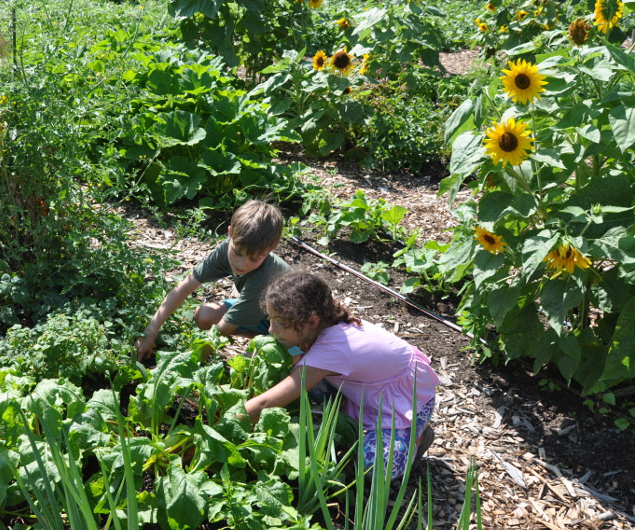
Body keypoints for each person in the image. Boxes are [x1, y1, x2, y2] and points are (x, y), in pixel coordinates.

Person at [244, 271, 439, 479]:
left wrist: (230, 418)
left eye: (280, 322)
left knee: (372, 465)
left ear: (311, 321)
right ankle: (358, 421)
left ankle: (416, 439)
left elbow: (267, 403)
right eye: (270, 319)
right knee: (309, 382)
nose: (272, 329)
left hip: (409, 402)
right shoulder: (327, 325)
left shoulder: (332, 349)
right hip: (374, 388)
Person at [135, 200, 292, 361]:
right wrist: (150, 331)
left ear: (271, 249)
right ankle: (266, 340)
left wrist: (185, 364)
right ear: (230, 232)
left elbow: (224, 328)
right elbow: (187, 284)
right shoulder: (225, 250)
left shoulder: (265, 277)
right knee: (205, 315)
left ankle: (283, 349)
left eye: (254, 259)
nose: (241, 264)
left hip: (294, 330)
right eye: (237, 253)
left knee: (251, 364)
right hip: (265, 316)